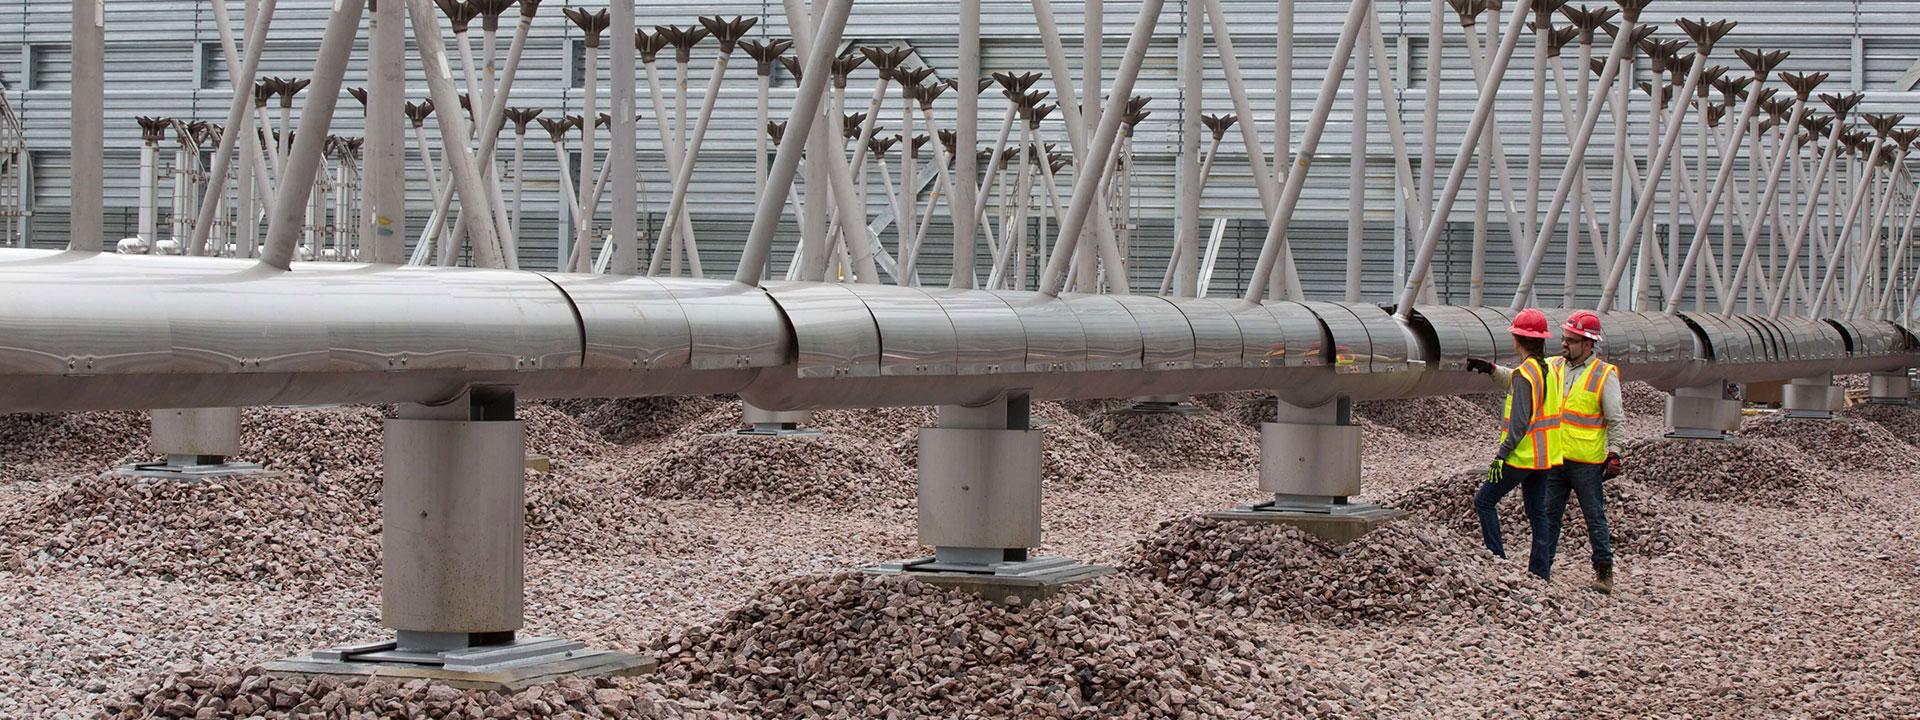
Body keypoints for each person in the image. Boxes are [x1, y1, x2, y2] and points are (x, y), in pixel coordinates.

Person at [1465, 309, 1563, 581]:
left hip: (1520, 456)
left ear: (1518, 339)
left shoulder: (1524, 374)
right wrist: (1492, 369)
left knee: (1484, 501)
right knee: (1537, 512)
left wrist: (1501, 456)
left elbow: (1519, 424)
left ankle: (1496, 559)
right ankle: (1540, 571)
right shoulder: (1548, 369)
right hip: (1543, 456)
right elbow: (1521, 383)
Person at [1542, 311, 1624, 594]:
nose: (1564, 344)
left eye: (1572, 340)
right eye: (1564, 338)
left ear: (1588, 344)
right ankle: (1542, 569)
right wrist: (1494, 371)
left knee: (1594, 517)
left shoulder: (1603, 374)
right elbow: (1523, 377)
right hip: (1556, 457)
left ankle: (1604, 573)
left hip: (1587, 463)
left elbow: (1615, 419)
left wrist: (1615, 452)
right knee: (1548, 515)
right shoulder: (1553, 366)